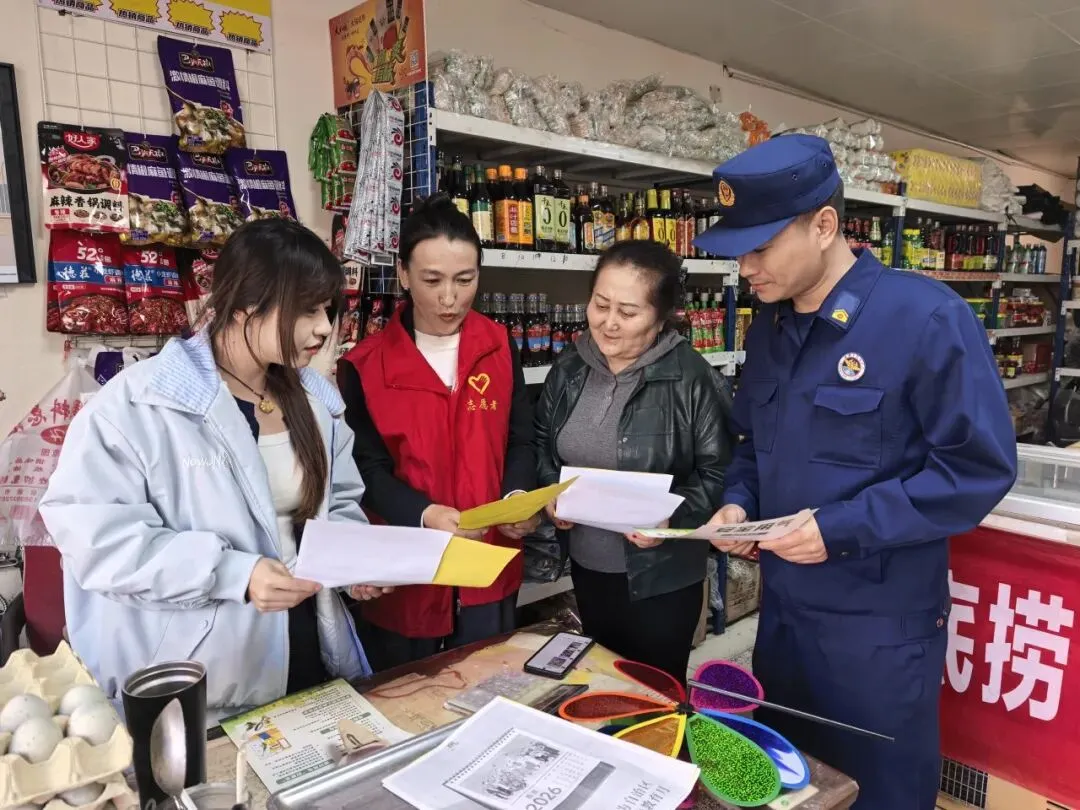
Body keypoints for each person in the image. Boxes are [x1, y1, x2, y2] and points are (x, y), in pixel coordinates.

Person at [695, 135, 1017, 809]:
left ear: (824, 225)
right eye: (738, 251)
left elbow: (977, 469)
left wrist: (840, 529)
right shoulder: (770, 329)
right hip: (783, 629)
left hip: (878, 637)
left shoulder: (926, 318)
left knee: (879, 797)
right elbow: (754, 443)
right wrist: (738, 504)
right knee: (792, 792)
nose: (746, 268)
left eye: (761, 247)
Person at [39, 218, 388, 723]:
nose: (325, 328)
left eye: (329, 310)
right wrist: (235, 574)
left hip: (307, 646)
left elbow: (339, 502)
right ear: (246, 303)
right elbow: (99, 540)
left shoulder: (314, 400)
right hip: (198, 674)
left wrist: (355, 564)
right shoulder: (138, 405)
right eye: (307, 309)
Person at [337, 195, 538, 671]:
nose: (449, 298)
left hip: (488, 564)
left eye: (464, 280)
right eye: (432, 280)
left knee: (488, 693)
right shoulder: (365, 366)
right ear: (404, 275)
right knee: (408, 702)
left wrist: (517, 496)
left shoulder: (497, 345)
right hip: (406, 579)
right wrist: (424, 513)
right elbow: (366, 468)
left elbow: (520, 438)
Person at [534, 240, 731, 682]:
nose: (608, 322)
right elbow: (544, 443)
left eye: (628, 312)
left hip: (662, 580)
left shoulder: (691, 378)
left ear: (661, 318)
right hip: (588, 569)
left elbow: (718, 471)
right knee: (602, 686)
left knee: (656, 696)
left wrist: (671, 517)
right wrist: (551, 495)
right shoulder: (570, 368)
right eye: (600, 305)